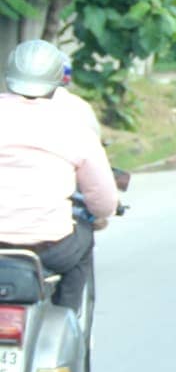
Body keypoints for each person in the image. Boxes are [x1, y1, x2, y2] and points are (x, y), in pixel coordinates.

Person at [0, 40, 118, 311]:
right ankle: (68, 319)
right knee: (84, 242)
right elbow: (103, 204)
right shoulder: (74, 125)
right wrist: (98, 213)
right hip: (50, 248)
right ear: (57, 82)